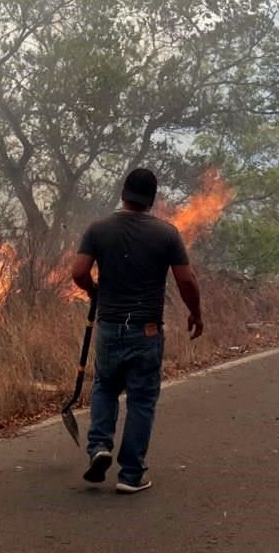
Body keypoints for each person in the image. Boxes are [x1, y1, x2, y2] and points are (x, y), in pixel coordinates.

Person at [71, 168, 203, 494]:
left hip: (109, 327)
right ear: (152, 199)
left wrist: (93, 290)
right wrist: (196, 313)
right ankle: (131, 475)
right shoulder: (167, 234)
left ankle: (99, 446)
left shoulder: (98, 229)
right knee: (141, 400)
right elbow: (186, 280)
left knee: (105, 387)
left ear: (123, 192)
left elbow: (79, 272)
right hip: (146, 330)